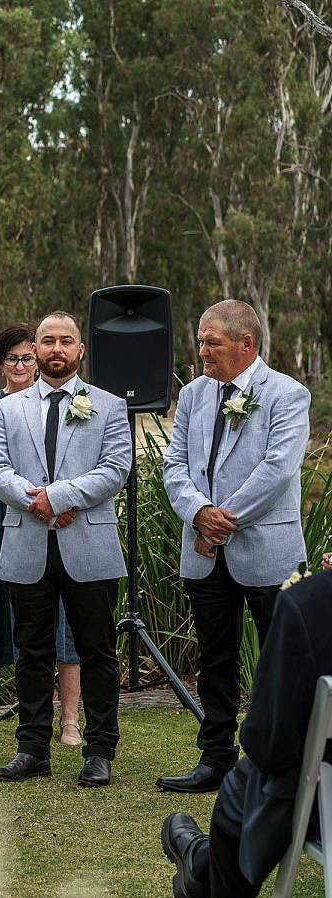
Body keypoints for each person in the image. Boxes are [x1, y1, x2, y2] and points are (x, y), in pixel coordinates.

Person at [158, 300, 310, 795]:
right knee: (215, 658)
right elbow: (173, 466)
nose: (201, 351)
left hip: (268, 552)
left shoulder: (288, 394)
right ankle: (216, 758)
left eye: (211, 342)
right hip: (203, 549)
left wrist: (224, 519)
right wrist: (198, 513)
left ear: (246, 344)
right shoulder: (195, 395)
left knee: (281, 660)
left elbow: (278, 469)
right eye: (200, 341)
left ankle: (280, 765)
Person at [0, 311, 131, 788]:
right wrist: (39, 502)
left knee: (98, 652)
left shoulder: (107, 405)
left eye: (66, 341)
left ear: (80, 350)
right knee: (32, 652)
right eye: (48, 341)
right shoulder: (8, 409)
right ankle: (32, 750)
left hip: (88, 544)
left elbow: (115, 469)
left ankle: (100, 750)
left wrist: (61, 497)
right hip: (27, 543)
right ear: (38, 347)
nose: (56, 350)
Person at [161, 569, 332, 898]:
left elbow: (267, 746)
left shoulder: (312, 603)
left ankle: (200, 863)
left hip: (324, 811)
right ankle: (199, 862)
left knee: (248, 786)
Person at [0, 324, 82, 746]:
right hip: (8, 520)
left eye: (29, 357)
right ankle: (34, 714)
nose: (22, 365)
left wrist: (58, 502)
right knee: (23, 619)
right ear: (1, 364)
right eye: (13, 359)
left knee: (68, 617)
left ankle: (70, 719)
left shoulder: (69, 401)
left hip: (65, 516)